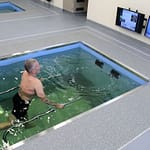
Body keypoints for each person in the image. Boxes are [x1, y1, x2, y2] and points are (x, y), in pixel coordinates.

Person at [0, 59, 64, 129]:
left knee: (20, 112)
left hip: (17, 97)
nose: (39, 67)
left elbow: (29, 83)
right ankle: (12, 122)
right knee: (12, 123)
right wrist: (56, 105)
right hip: (23, 103)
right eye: (37, 66)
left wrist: (37, 82)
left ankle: (26, 124)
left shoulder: (25, 73)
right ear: (32, 70)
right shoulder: (36, 83)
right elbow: (44, 99)